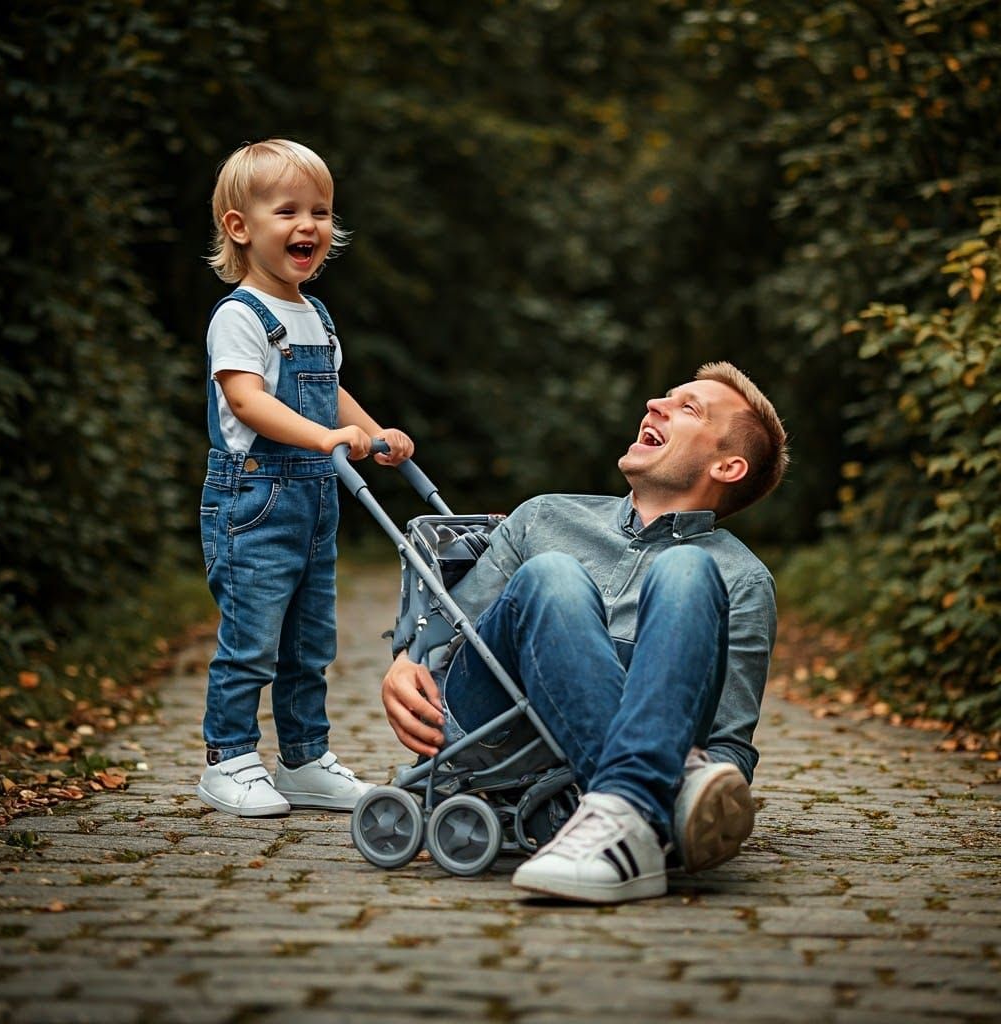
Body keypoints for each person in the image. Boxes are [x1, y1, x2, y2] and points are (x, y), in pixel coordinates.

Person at [381, 362, 788, 903]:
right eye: (666, 396)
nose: (654, 405)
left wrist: (715, 773)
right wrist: (405, 658)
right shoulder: (543, 517)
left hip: (624, 721)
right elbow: (451, 642)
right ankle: (652, 793)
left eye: (687, 408)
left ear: (728, 466)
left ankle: (621, 807)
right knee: (553, 574)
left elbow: (729, 749)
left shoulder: (742, 580)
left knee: (689, 569)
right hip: (497, 727)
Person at [196, 139, 414, 818]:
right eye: (287, 210)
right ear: (240, 227)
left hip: (315, 502)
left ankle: (303, 758)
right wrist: (326, 438)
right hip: (254, 500)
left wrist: (374, 435)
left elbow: (331, 392)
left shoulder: (314, 314)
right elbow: (247, 400)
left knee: (308, 640)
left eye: (319, 210)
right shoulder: (240, 315)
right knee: (253, 638)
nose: (308, 225)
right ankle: (228, 760)